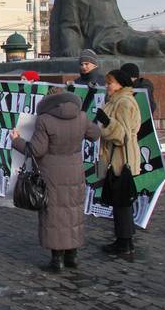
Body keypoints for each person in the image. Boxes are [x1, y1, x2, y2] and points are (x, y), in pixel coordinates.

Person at [11, 88, 101, 271]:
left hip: (51, 172)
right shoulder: (82, 116)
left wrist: (16, 140)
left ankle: (57, 260)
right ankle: (72, 256)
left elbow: (36, 150)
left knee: (53, 213)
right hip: (75, 170)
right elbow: (96, 134)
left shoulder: (45, 120)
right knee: (72, 211)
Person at [94, 69, 142, 258]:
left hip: (120, 160)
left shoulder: (123, 102)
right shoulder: (116, 101)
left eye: (110, 82)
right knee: (120, 203)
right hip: (116, 158)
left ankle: (125, 242)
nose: (108, 86)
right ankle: (123, 240)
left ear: (120, 84)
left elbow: (121, 136)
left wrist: (106, 123)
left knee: (122, 203)